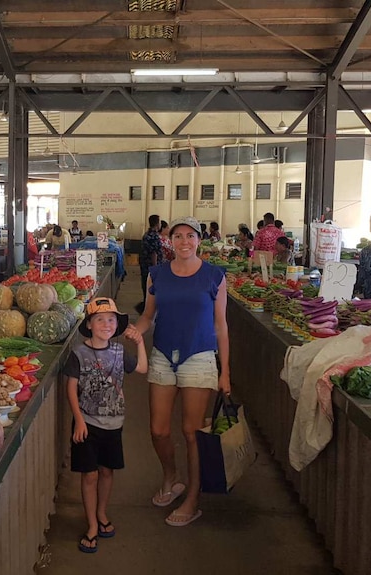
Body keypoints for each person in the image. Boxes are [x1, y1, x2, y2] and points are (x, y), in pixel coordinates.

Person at [132, 215, 230, 528]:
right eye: (178, 236)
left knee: (192, 433)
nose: (184, 242)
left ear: (199, 240)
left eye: (190, 236)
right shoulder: (156, 275)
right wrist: (137, 330)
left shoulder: (214, 276)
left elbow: (220, 326)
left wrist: (224, 371)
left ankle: (193, 497)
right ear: (169, 241)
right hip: (162, 355)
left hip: (200, 357)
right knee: (158, 429)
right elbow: (148, 315)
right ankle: (171, 477)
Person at [64, 297, 147, 553]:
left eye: (111, 320)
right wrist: (78, 420)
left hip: (114, 425)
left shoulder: (120, 352)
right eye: (100, 319)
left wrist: (140, 342)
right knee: (90, 474)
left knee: (107, 471)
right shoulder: (79, 354)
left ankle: (101, 513)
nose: (106, 324)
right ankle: (91, 524)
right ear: (89, 324)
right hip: (87, 424)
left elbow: (143, 368)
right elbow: (71, 388)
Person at [136, 214, 164, 314]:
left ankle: (146, 306)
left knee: (146, 286)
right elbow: (154, 253)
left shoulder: (147, 234)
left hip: (145, 266)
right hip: (151, 267)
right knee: (152, 288)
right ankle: (149, 309)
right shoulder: (154, 236)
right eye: (160, 222)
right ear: (157, 224)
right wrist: (155, 268)